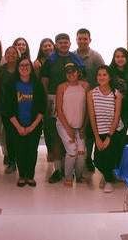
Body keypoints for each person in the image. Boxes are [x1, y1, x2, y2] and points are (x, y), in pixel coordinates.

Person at [40, 33, 84, 184]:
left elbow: (82, 78)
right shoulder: (50, 60)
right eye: (60, 42)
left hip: (72, 100)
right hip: (53, 99)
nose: (64, 45)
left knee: (72, 136)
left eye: (66, 42)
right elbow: (44, 81)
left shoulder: (75, 59)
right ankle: (58, 170)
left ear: (70, 44)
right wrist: (46, 100)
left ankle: (70, 169)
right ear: (56, 44)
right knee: (55, 136)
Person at [2, 57, 46, 188]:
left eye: (27, 65)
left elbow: (41, 108)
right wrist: (19, 127)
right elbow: (8, 109)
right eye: (21, 65)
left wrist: (32, 126)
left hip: (34, 125)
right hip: (16, 124)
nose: (24, 68)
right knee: (20, 150)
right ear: (17, 68)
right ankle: (22, 175)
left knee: (32, 150)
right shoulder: (11, 85)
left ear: (31, 68)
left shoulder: (37, 85)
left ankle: (30, 175)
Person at [87, 65, 124, 193]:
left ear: (109, 77)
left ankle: (108, 180)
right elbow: (92, 116)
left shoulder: (116, 94)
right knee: (98, 160)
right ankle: (107, 175)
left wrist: (109, 137)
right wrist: (97, 137)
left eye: (104, 75)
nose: (101, 77)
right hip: (99, 129)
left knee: (109, 155)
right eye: (99, 75)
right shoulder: (91, 93)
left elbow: (117, 115)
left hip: (114, 130)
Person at [73, 28, 104, 173]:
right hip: (74, 99)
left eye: (85, 39)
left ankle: (87, 158)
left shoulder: (96, 57)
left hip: (92, 99)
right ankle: (75, 157)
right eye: (80, 38)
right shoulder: (71, 56)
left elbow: (104, 76)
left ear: (90, 40)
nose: (82, 41)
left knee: (90, 129)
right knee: (76, 127)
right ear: (76, 40)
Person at [55, 62, 89, 187]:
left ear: (78, 72)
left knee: (81, 153)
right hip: (64, 125)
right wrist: (68, 128)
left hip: (79, 126)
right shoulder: (62, 87)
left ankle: (79, 176)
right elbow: (59, 109)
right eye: (68, 72)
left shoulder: (85, 86)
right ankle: (68, 176)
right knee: (72, 151)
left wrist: (83, 127)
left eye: (73, 71)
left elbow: (87, 110)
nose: (71, 74)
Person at [109, 47, 128, 147]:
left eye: (123, 56)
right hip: (112, 108)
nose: (120, 59)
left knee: (123, 137)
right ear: (114, 58)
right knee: (113, 136)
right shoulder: (109, 72)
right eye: (117, 56)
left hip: (127, 109)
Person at [0, 46, 20, 173]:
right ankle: (12, 161)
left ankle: (21, 160)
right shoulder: (1, 70)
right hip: (6, 108)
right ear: (5, 56)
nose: (11, 55)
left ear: (18, 55)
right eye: (8, 53)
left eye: (14, 53)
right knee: (10, 135)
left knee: (20, 135)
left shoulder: (22, 68)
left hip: (22, 107)